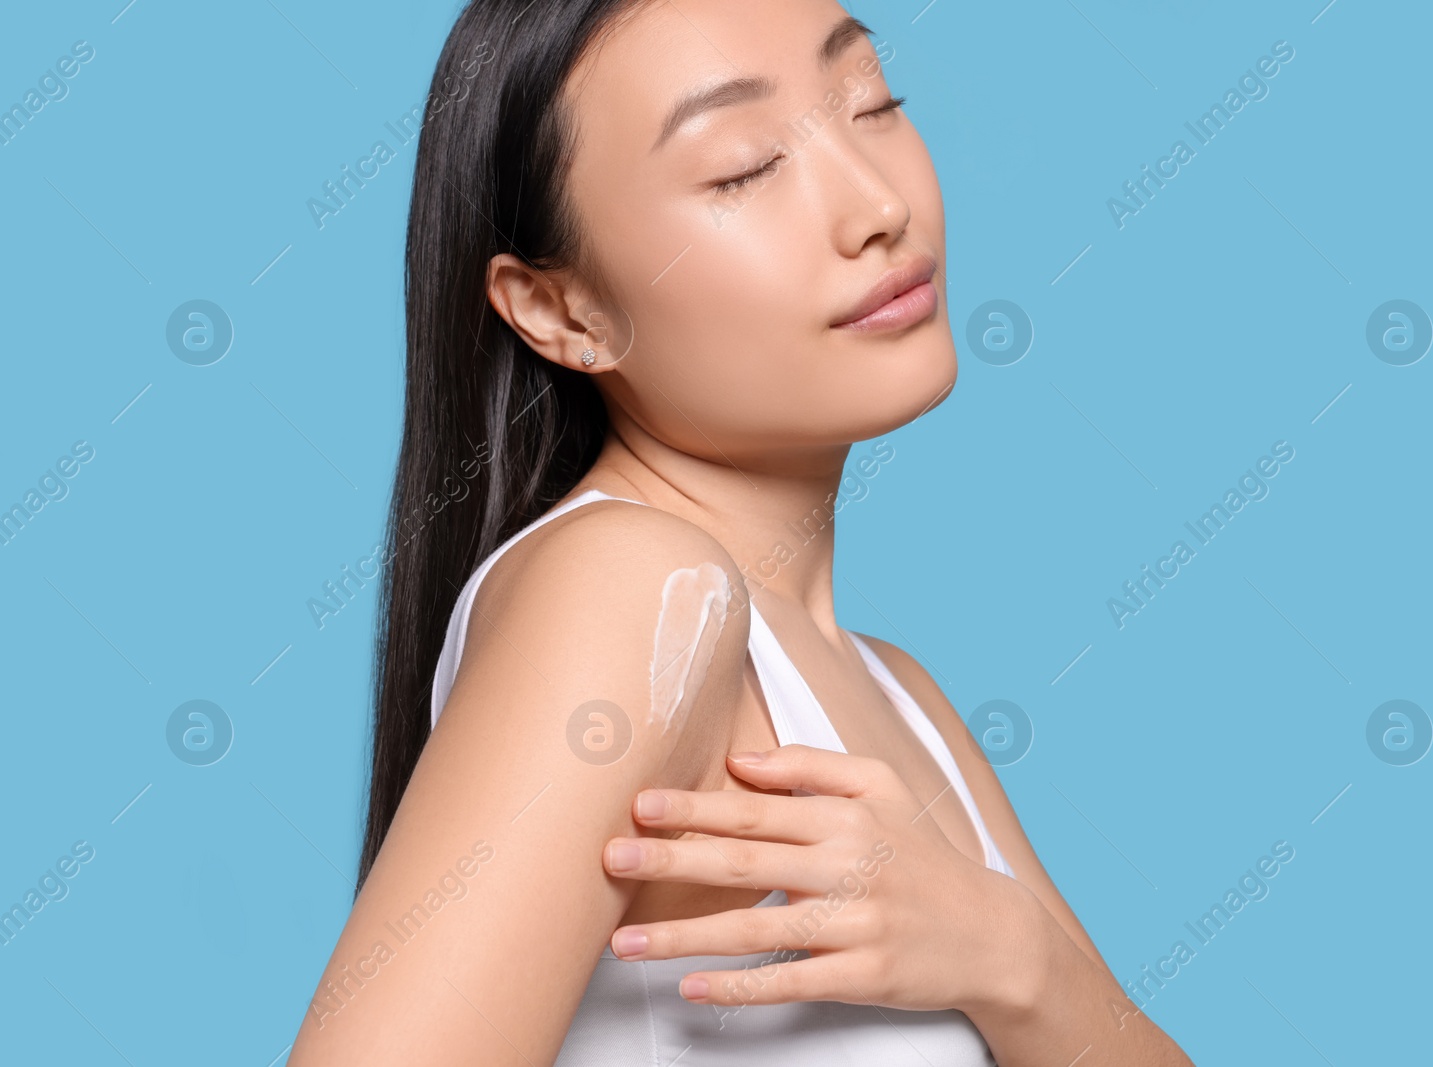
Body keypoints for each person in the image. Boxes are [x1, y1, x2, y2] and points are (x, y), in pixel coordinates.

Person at [288, 1, 1192, 1063]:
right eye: (744, 167)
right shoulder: (630, 588)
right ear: (559, 311)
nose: (876, 204)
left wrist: (1015, 957)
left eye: (872, 103)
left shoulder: (905, 699)